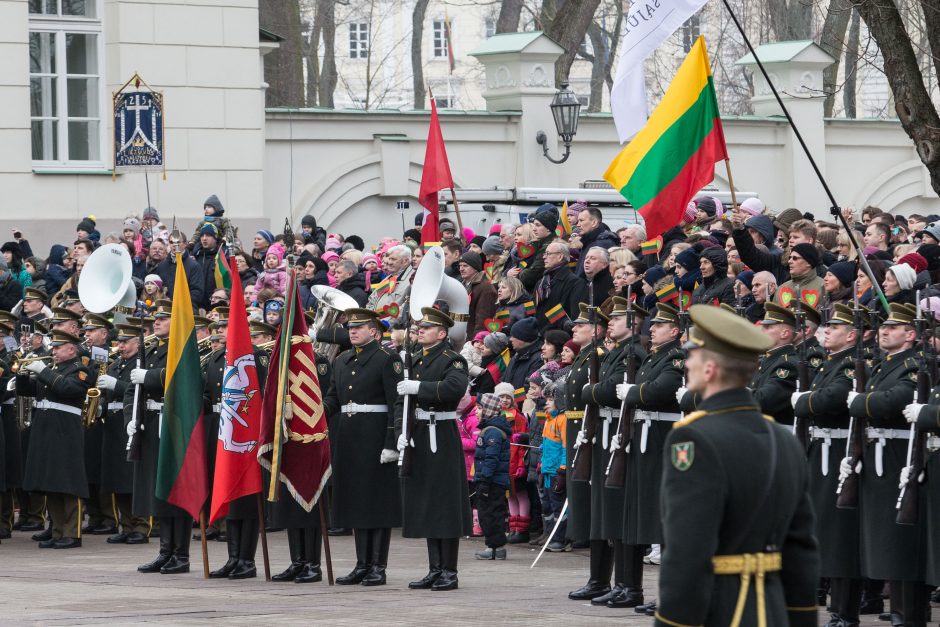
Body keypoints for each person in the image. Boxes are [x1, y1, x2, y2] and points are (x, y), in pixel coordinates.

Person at [655, 304, 819, 627]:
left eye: (693, 356)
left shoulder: (694, 439)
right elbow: (801, 551)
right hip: (771, 612)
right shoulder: (783, 440)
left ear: (710, 369)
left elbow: (687, 553)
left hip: (720, 611)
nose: (686, 363)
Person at [844, 303, 927, 625]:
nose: (884, 331)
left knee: (900, 537)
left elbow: (896, 399)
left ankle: (907, 613)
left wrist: (860, 402)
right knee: (885, 537)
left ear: (910, 334)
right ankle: (897, 611)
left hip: (898, 455)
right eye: (882, 327)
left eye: (893, 328)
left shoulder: (913, 364)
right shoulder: (883, 365)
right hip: (878, 455)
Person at [792, 303, 863, 626]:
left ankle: (845, 611)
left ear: (851, 335)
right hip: (819, 449)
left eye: (834, 328)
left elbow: (830, 399)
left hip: (837, 451)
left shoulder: (849, 364)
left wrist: (803, 401)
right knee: (822, 529)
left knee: (840, 533)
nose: (826, 331)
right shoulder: (829, 363)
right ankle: (834, 607)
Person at [324, 308, 403, 586]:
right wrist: (310, 413)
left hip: (375, 436)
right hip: (348, 436)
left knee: (376, 503)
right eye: (350, 328)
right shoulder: (343, 359)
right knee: (356, 502)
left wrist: (392, 442)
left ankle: (377, 566)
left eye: (359, 327)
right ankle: (361, 563)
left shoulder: (386, 359)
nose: (353, 331)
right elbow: (333, 398)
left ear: (375, 332)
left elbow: (396, 402)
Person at [579, 297, 649, 609]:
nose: (611, 321)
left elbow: (606, 390)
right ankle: (609, 582)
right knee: (605, 509)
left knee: (618, 510)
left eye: (618, 318)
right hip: (605, 429)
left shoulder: (632, 352)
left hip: (618, 432)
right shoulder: (616, 352)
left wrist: (591, 392)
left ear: (633, 324)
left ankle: (624, 584)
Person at [396, 307, 471, 591]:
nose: (421, 331)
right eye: (419, 328)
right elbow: (401, 401)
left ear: (442, 333)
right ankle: (434, 568)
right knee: (428, 502)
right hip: (419, 433)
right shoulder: (414, 359)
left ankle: (449, 570)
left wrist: (419, 387)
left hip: (442, 432)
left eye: (427, 328)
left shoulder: (453, 359)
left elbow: (454, 388)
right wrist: (402, 433)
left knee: (445, 503)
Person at [130, 299, 193, 574]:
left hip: (174, 424)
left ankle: (181, 554)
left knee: (176, 489)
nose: (156, 322)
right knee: (161, 492)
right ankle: (165, 550)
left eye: (163, 319)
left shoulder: (182, 348)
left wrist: (151, 376)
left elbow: (183, 377)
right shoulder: (154, 349)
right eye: (155, 319)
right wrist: (133, 419)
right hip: (154, 422)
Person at [20, 328, 93, 548]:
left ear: (71, 349)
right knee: (50, 482)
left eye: (58, 348)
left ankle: (72, 533)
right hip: (46, 431)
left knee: (68, 482)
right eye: (53, 348)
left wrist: (43, 371)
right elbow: (30, 391)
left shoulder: (79, 370)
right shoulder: (52, 369)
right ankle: (58, 531)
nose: (53, 351)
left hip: (66, 432)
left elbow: (67, 388)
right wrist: (22, 375)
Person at [564, 303, 609, 593]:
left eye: (580, 325)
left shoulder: (599, 356)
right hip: (576, 431)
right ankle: (596, 577)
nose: (574, 329)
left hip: (588, 430)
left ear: (595, 330)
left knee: (594, 504)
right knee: (583, 501)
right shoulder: (584, 357)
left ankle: (600, 578)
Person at [95, 323, 151, 545]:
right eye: (119, 342)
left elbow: (136, 390)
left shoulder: (141, 365)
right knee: (117, 478)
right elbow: (108, 396)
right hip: (113, 424)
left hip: (132, 422)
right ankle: (126, 525)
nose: (121, 346)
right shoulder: (115, 364)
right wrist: (100, 407)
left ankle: (141, 525)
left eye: (125, 342)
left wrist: (115, 384)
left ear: (138, 344)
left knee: (132, 479)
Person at [472, 393, 511, 560]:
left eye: (480, 408)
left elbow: (491, 458)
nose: (476, 411)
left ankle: (495, 546)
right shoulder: (488, 430)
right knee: (487, 513)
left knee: (491, 513)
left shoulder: (493, 432)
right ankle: (494, 545)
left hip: (492, 481)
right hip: (489, 479)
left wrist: (485, 479)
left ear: (488, 410)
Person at [752, 302, 800, 427]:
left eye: (768, 327)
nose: (761, 330)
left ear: (785, 333)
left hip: (777, 436)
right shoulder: (767, 360)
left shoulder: (788, 364)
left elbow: (764, 401)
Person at [533, 241, 586, 330]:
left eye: (548, 253)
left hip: (555, 335)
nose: (544, 257)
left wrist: (543, 332)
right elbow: (533, 307)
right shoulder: (541, 282)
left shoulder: (574, 282)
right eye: (544, 253)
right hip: (537, 332)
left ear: (560, 257)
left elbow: (564, 311)